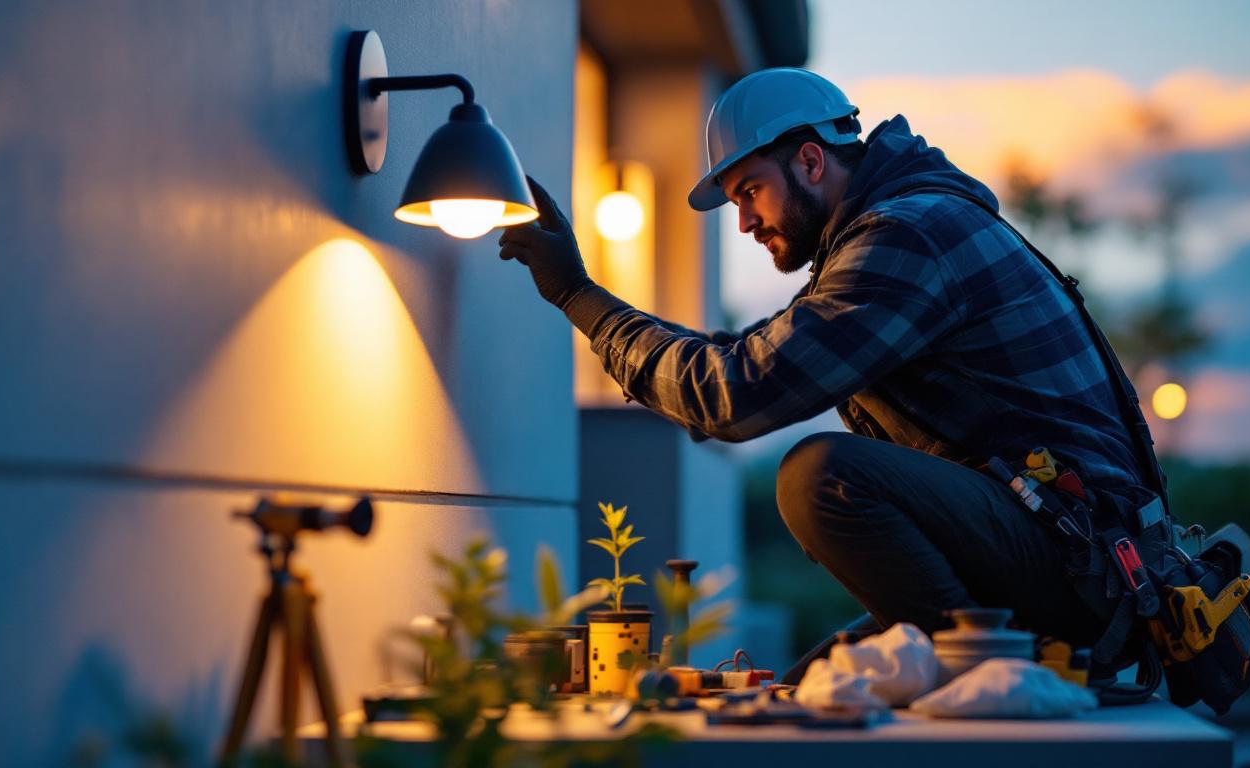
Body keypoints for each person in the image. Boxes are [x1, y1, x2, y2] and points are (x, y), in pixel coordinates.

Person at [498, 68, 1162, 647]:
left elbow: (737, 394)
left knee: (823, 477)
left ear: (811, 162)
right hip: (1059, 543)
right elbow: (744, 357)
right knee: (818, 678)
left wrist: (578, 296)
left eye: (749, 192)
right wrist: (606, 313)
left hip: (1085, 563)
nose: (744, 222)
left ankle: (987, 678)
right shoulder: (888, 233)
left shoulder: (908, 237)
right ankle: (968, 670)